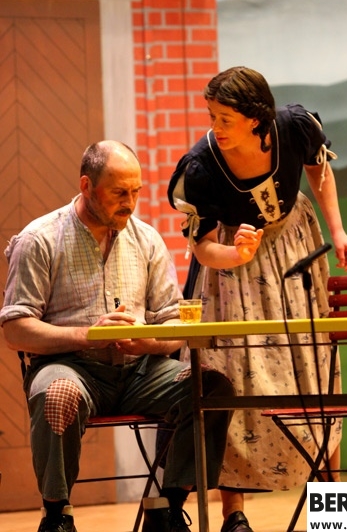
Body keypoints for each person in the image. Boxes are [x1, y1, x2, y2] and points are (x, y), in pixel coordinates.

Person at [0, 140, 235, 532]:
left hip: (141, 371)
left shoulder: (147, 239)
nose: (130, 203)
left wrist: (150, 342)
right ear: (86, 186)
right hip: (70, 368)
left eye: (136, 192)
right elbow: (15, 329)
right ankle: (57, 514)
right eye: (119, 193)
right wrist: (87, 336)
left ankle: (168, 505)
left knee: (211, 387)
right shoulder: (39, 238)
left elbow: (173, 320)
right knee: (57, 394)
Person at [168, 67, 347, 532]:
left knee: (315, 368)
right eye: (211, 116)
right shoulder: (202, 166)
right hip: (234, 272)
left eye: (225, 118)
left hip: (295, 248)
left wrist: (337, 229)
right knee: (234, 379)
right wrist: (236, 254)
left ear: (256, 118)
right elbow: (202, 248)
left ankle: (333, 504)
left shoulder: (294, 127)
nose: (215, 127)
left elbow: (318, 168)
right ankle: (234, 514)